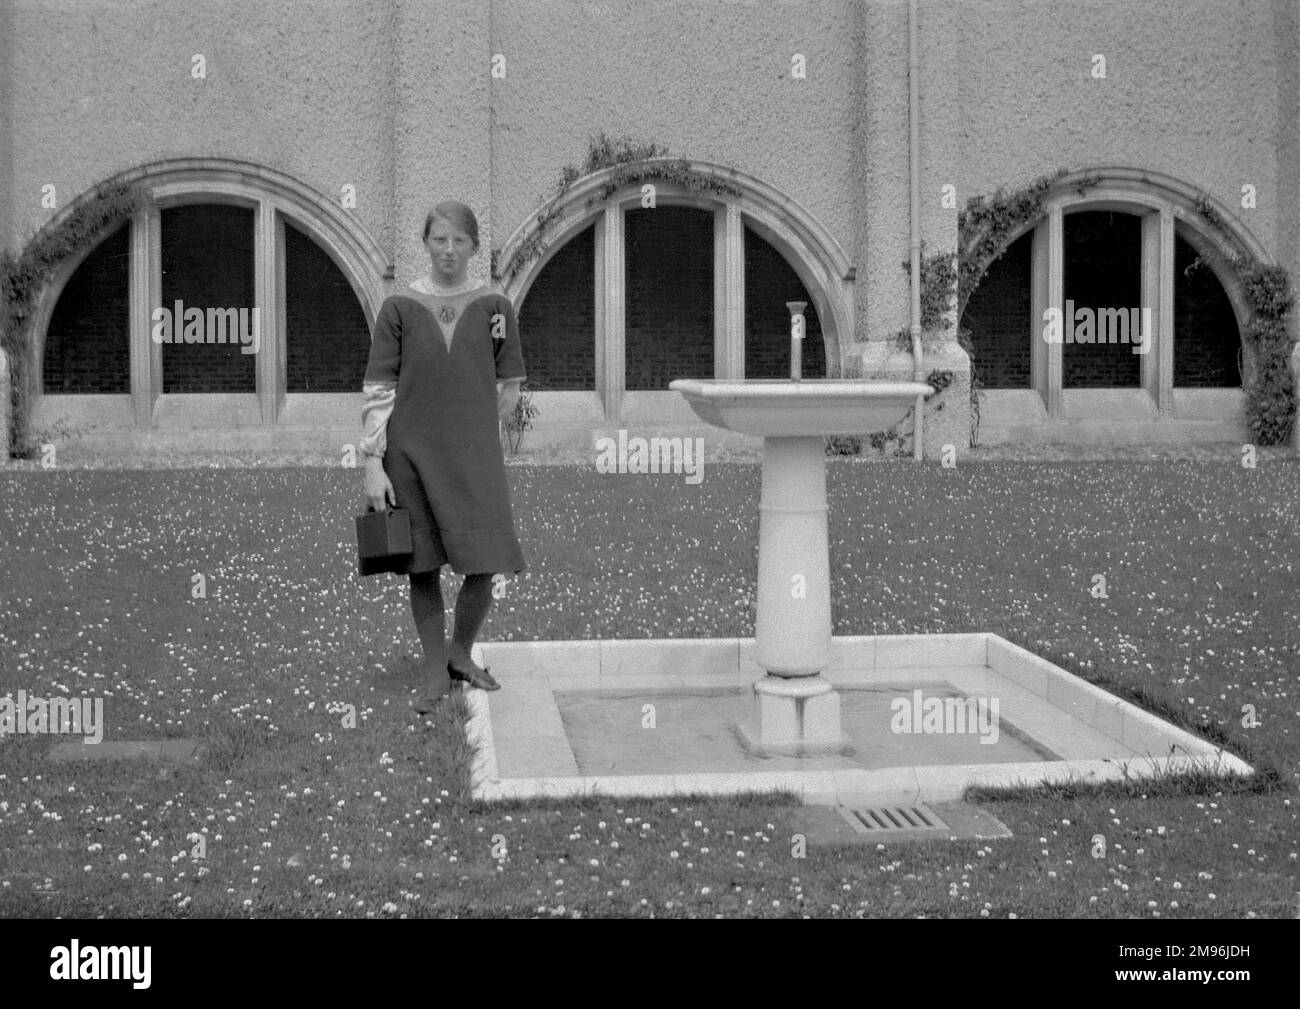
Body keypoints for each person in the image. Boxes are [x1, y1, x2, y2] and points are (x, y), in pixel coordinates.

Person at [359, 200, 526, 713]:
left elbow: (511, 382)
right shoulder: (399, 308)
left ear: (475, 246)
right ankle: (435, 672)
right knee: (421, 565)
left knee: (488, 558)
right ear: (425, 243)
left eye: (459, 241)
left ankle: (460, 654)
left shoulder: (496, 308)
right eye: (439, 240)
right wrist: (372, 461)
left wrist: (484, 429)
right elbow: (378, 387)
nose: (449, 250)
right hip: (410, 456)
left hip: (475, 457)